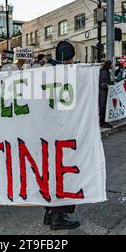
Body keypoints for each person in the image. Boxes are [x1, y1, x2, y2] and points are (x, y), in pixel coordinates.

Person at [42, 40, 81, 231]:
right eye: (71, 57)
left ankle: (50, 213)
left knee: (51, 173)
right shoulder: (63, 75)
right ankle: (58, 216)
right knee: (63, 173)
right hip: (60, 131)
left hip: (46, 132)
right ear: (66, 57)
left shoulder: (43, 72)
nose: (73, 61)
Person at [99, 60, 113, 129]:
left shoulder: (105, 71)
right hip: (103, 93)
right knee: (103, 108)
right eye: (111, 64)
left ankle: (104, 121)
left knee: (104, 108)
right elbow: (102, 83)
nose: (112, 66)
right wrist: (107, 84)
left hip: (104, 93)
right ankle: (102, 122)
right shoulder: (104, 72)